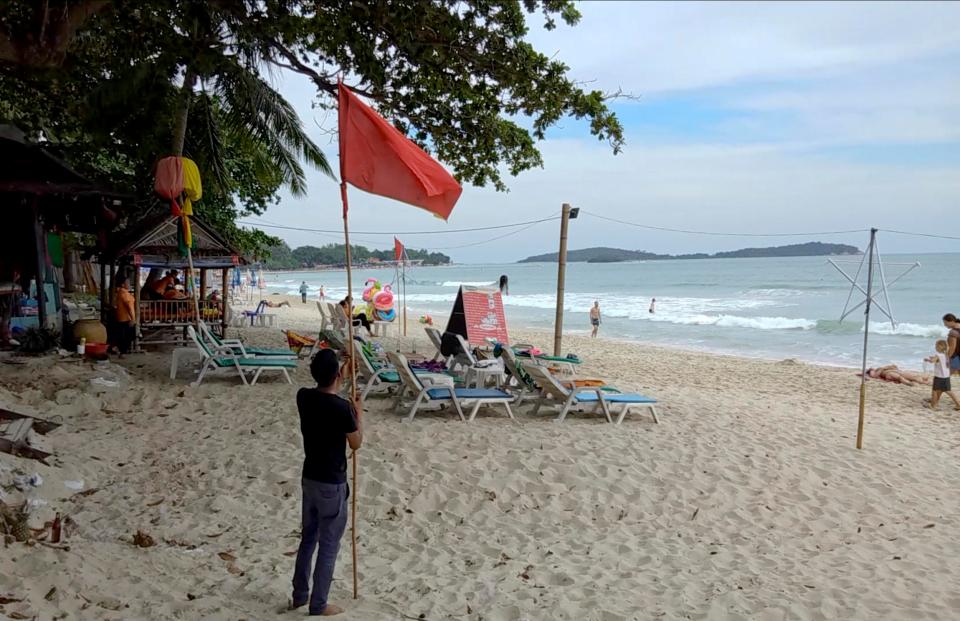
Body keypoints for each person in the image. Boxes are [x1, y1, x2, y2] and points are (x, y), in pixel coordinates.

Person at [290, 350, 362, 616]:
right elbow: (356, 443)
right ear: (338, 376)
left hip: (310, 478)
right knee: (329, 544)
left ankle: (300, 595)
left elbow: (327, 388)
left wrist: (343, 369)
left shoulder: (304, 397)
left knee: (308, 538)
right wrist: (359, 415)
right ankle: (318, 604)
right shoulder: (342, 409)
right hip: (331, 483)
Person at [925, 340, 960, 410]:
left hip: (939, 377)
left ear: (940, 346)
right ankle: (958, 404)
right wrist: (933, 358)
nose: (935, 347)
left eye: (936, 346)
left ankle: (933, 406)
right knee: (948, 391)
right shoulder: (946, 355)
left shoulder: (938, 355)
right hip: (946, 376)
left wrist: (927, 359)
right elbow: (940, 361)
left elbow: (933, 361)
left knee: (935, 390)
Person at [112, 276, 137, 356]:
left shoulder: (120, 293)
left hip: (122, 317)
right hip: (126, 318)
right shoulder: (124, 294)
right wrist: (133, 319)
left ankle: (119, 349)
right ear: (123, 285)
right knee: (127, 336)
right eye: (128, 283)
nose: (129, 285)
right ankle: (122, 351)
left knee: (123, 335)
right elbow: (129, 307)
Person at [865, 365, 931, 386]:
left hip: (894, 372)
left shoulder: (881, 368)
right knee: (900, 377)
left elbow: (895, 366)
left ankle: (923, 380)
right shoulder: (875, 370)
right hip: (889, 374)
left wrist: (888, 367)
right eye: (871, 369)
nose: (872, 368)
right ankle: (908, 383)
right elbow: (874, 376)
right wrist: (884, 368)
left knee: (913, 377)